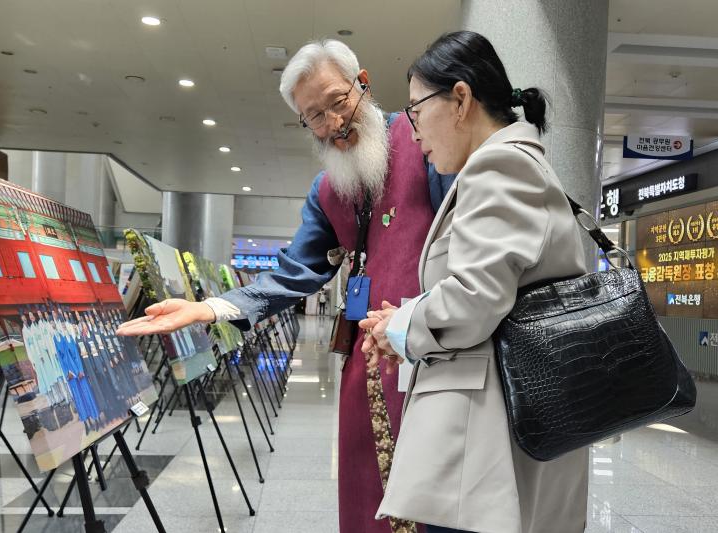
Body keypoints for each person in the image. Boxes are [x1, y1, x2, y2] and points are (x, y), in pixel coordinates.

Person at [117, 39, 454, 533]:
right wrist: (211, 309)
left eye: (338, 102)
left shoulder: (423, 140)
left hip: (437, 357)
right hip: (369, 369)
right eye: (314, 116)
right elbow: (295, 271)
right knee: (369, 503)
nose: (333, 125)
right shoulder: (328, 190)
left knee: (436, 503)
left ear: (363, 83)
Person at [361, 31, 589, 533]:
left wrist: (401, 326)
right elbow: (491, 291)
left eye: (416, 110)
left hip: (489, 453)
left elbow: (473, 299)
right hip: (501, 437)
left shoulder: (498, 165)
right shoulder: (505, 165)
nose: (413, 130)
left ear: (460, 99)